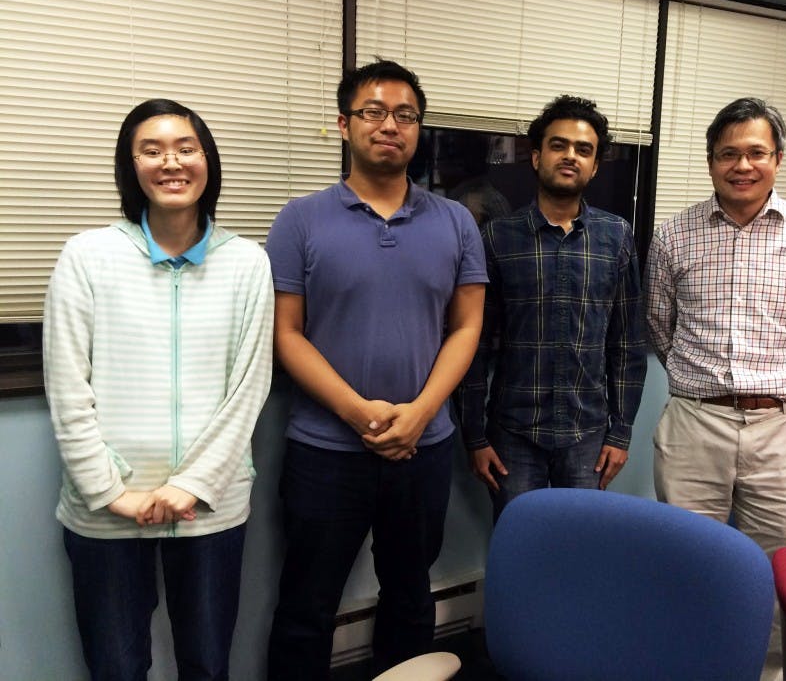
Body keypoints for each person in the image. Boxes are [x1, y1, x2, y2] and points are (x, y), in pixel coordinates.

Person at [265, 60, 487, 679]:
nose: (390, 125)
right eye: (373, 111)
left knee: (411, 595)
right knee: (307, 604)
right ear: (344, 124)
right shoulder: (300, 220)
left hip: (424, 448)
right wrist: (359, 412)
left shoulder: (455, 221)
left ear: (418, 130)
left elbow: (467, 326)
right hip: (325, 450)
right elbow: (286, 335)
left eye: (405, 115)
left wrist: (419, 414)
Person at [43, 98, 274, 680]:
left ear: (207, 161)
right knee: (116, 666)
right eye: (151, 150)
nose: (171, 163)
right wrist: (109, 490)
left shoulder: (247, 263)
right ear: (132, 167)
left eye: (185, 148)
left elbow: (249, 386)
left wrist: (192, 484)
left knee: (207, 660)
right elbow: (68, 388)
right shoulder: (88, 257)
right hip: (106, 509)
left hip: (209, 506)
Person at [644, 96, 786, 679]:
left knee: (777, 572)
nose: (742, 165)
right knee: (689, 563)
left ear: (777, 159)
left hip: (783, 428)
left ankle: (768, 671)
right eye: (728, 153)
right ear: (711, 163)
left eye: (756, 152)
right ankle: (690, 665)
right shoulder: (673, 236)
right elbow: (660, 324)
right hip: (694, 423)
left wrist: (784, 392)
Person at [458, 95, 646, 520]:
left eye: (584, 150)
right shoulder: (497, 238)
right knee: (519, 546)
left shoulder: (616, 237)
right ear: (537, 155)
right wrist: (474, 436)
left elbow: (627, 345)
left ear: (595, 165)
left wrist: (622, 432)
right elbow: (474, 344)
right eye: (559, 145)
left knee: (578, 545)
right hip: (511, 434)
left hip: (589, 436)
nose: (570, 156)